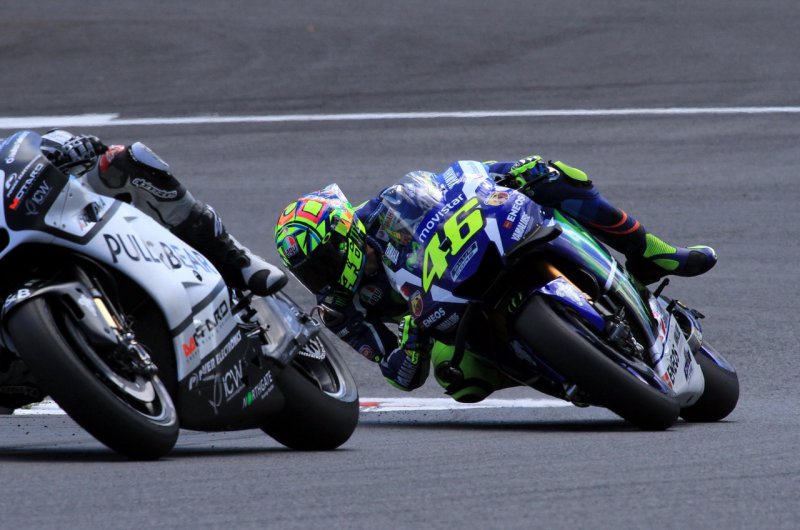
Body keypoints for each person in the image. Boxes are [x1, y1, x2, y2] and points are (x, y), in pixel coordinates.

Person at [273, 155, 717, 402]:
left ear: (345, 235)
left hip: (479, 250)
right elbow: (401, 376)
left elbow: (457, 182)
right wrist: (410, 341)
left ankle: (650, 251)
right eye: (307, 272)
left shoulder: (387, 207)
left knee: (556, 176)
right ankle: (563, 368)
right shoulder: (341, 311)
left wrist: (511, 170)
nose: (320, 278)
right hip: (452, 318)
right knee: (461, 381)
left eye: (322, 261)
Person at [0, 130, 287, 413]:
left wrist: (63, 146)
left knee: (123, 161)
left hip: (42, 229)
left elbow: (19, 153)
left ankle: (236, 258)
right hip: (17, 359)